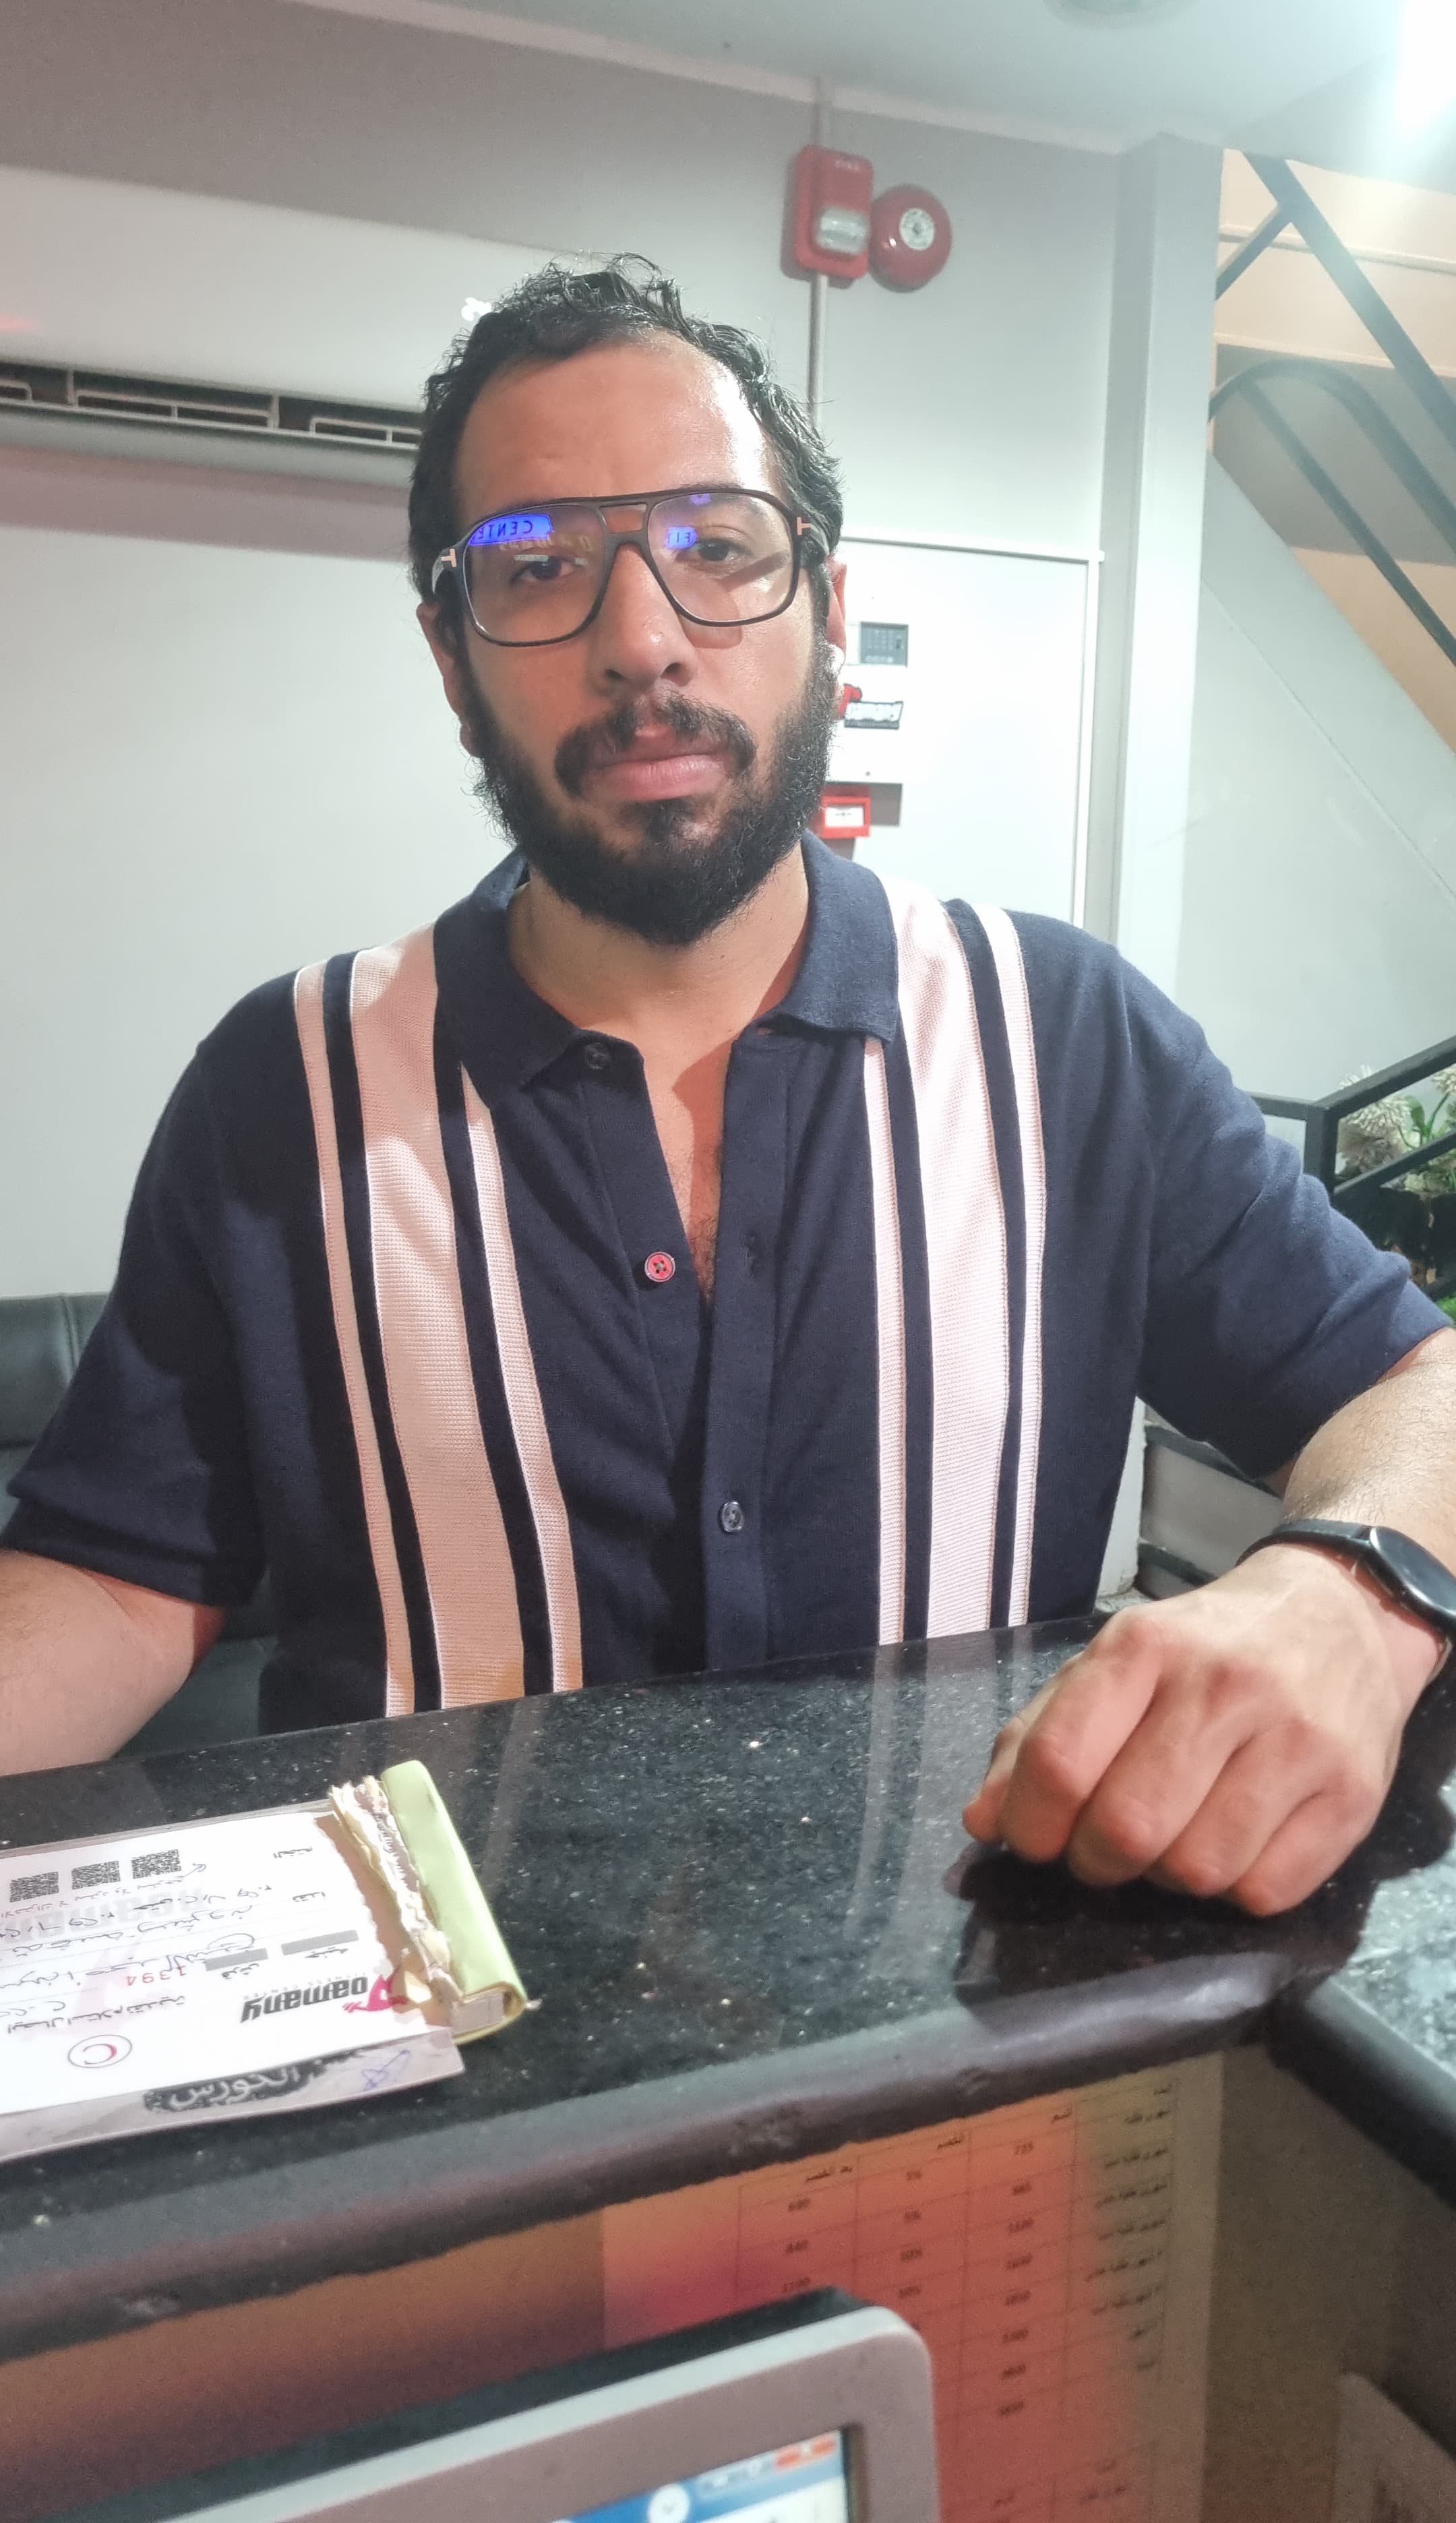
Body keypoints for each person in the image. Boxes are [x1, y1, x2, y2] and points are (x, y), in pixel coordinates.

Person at [3, 261, 1455, 1919]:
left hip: (967, 2030)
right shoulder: (284, 1088)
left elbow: (1417, 1384)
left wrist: (1355, 1591)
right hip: (436, 2065)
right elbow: (116, 1585)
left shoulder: (1068, 1042)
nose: (642, 640)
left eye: (718, 548)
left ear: (827, 612)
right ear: (452, 658)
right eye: (536, 566)